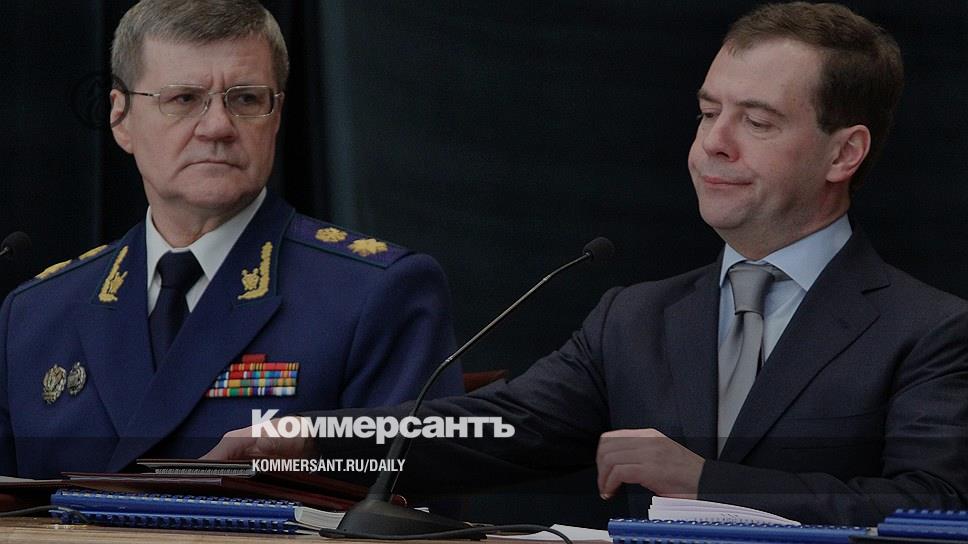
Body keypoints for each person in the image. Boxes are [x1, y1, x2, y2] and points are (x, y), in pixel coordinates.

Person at [205, 2, 968, 525]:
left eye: (757, 121)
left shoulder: (929, 332)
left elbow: (934, 504)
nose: (714, 144)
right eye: (709, 112)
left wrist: (706, 482)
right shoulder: (636, 318)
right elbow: (497, 429)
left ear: (844, 152)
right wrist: (312, 435)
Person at [0, 0, 462, 479]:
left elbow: (414, 502)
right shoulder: (34, 317)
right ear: (121, 119)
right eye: (184, 99)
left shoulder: (373, 295)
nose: (218, 127)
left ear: (276, 116)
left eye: (245, 100)